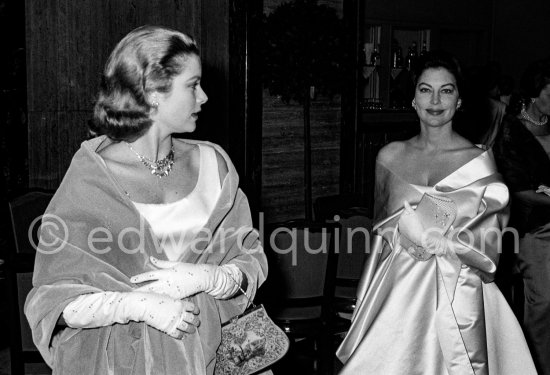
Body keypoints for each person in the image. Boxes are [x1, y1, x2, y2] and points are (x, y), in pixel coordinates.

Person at [24, 25, 268, 374]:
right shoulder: (94, 176)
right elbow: (53, 301)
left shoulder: (215, 164)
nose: (204, 98)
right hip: (123, 363)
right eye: (193, 85)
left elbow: (250, 261)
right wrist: (136, 305)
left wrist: (212, 278)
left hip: (216, 356)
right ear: (153, 91)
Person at [336, 50, 536, 374]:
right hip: (400, 293)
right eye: (425, 89)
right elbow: (382, 238)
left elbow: (490, 237)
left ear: (459, 101)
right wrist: (368, 298)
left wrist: (449, 245)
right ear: (413, 99)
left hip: (461, 290)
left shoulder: (478, 160)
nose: (435, 100)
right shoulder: (389, 157)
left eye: (447, 90)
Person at [493, 59, 550, 375]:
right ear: (534, 92)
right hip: (533, 229)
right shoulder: (512, 128)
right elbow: (514, 189)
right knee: (543, 305)